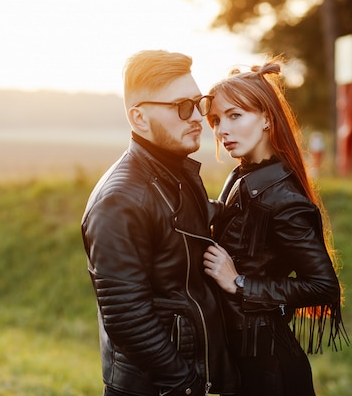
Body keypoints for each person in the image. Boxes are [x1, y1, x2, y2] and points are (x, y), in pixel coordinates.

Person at [81, 50, 239, 396]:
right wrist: (187, 385)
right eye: (182, 107)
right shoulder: (119, 201)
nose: (197, 117)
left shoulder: (178, 173)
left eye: (200, 103)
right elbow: (127, 318)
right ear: (138, 118)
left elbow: (191, 229)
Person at [202, 60, 348, 396]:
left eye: (235, 115)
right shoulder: (243, 177)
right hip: (244, 364)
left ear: (267, 118)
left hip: (271, 373)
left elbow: (323, 287)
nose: (222, 130)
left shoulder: (282, 197)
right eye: (216, 120)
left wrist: (239, 282)